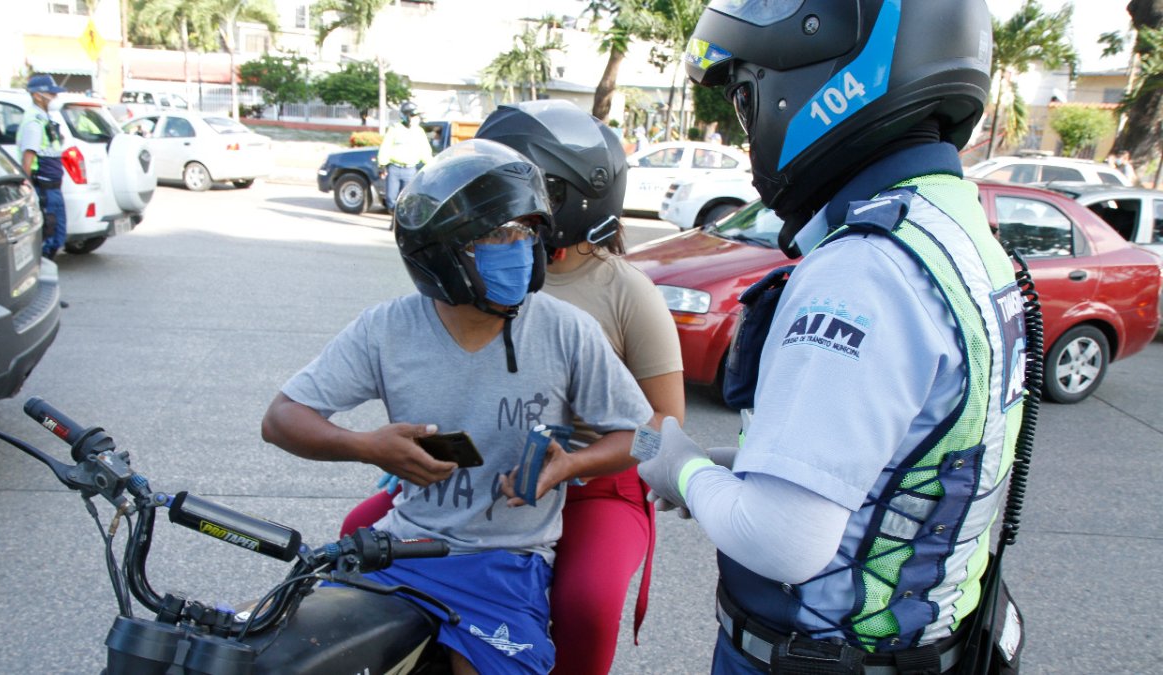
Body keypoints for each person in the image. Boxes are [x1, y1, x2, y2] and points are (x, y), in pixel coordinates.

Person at [638, 1, 1028, 673]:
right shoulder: (950, 228)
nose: (748, 129)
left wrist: (681, 468)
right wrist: (747, 466)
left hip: (814, 654)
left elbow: (782, 538)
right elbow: (903, 454)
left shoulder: (864, 267)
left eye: (746, 98)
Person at [261, 138, 654, 675]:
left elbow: (647, 437)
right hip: (403, 549)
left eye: (526, 232)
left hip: (506, 566)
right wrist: (366, 447)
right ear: (440, 254)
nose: (517, 248)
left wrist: (573, 464)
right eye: (496, 235)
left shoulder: (567, 331)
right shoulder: (386, 329)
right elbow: (281, 419)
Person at [18, 74, 68, 259]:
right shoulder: (34, 122)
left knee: (57, 234)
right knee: (50, 235)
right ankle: (44, 266)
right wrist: (28, 189)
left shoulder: (45, 119)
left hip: (53, 187)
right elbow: (28, 159)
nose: (55, 97)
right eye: (51, 94)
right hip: (44, 188)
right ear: (37, 96)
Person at [377, 101, 434, 212]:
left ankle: (401, 219)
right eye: (413, 116)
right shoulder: (395, 129)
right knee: (391, 199)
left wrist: (432, 166)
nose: (416, 118)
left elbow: (425, 152)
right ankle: (394, 217)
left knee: (407, 200)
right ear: (406, 116)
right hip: (394, 169)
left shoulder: (419, 132)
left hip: (410, 170)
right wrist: (382, 165)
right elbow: (385, 148)